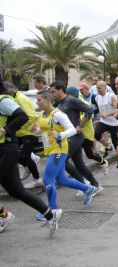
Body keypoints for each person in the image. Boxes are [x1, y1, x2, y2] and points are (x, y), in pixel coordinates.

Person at [0, 80, 61, 237]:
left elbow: (22, 116)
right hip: (3, 150)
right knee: (17, 191)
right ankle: (50, 215)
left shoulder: (3, 100)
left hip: (6, 149)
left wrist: (5, 130)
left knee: (17, 190)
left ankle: (3, 216)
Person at [35, 90, 96, 220]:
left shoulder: (58, 114)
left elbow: (73, 130)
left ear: (47, 100)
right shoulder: (42, 114)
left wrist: (60, 135)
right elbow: (42, 129)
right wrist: (35, 130)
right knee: (61, 180)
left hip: (59, 149)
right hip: (50, 149)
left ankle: (53, 209)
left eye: (39, 99)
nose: (37, 102)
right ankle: (87, 188)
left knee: (47, 179)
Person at [50, 82, 102, 193]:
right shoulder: (59, 104)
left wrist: (80, 125)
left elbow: (90, 109)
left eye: (53, 91)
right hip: (68, 137)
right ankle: (94, 185)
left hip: (76, 136)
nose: (52, 94)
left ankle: (84, 185)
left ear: (61, 90)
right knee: (79, 164)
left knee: (61, 161)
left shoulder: (71, 100)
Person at [2, 82, 42, 189]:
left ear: (11, 91)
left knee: (24, 156)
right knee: (12, 154)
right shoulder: (13, 98)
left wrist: (14, 127)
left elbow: (29, 116)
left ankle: (37, 179)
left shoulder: (21, 99)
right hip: (19, 132)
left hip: (28, 132)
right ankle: (28, 165)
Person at [66, 87, 109, 176]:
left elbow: (90, 116)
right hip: (75, 134)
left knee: (90, 154)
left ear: (73, 95)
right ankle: (78, 175)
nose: (66, 97)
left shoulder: (84, 103)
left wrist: (79, 122)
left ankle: (103, 162)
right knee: (73, 156)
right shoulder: (69, 104)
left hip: (86, 134)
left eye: (68, 95)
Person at [93, 81, 118, 155]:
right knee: (96, 134)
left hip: (114, 123)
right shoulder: (97, 98)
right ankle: (107, 145)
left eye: (99, 88)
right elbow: (99, 109)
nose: (97, 90)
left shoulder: (111, 96)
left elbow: (117, 110)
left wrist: (107, 114)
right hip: (104, 121)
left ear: (105, 87)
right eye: (96, 88)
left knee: (115, 142)